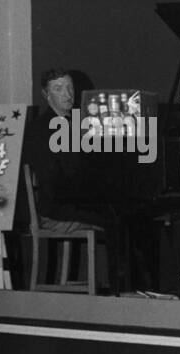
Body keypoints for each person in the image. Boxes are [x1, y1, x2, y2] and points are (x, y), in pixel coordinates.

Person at [20, 68, 150, 293]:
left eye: (70, 87)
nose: (67, 94)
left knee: (122, 214)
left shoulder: (76, 123)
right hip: (54, 208)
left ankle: (130, 287)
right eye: (58, 89)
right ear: (46, 95)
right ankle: (118, 290)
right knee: (115, 219)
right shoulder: (41, 128)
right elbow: (55, 179)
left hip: (70, 200)